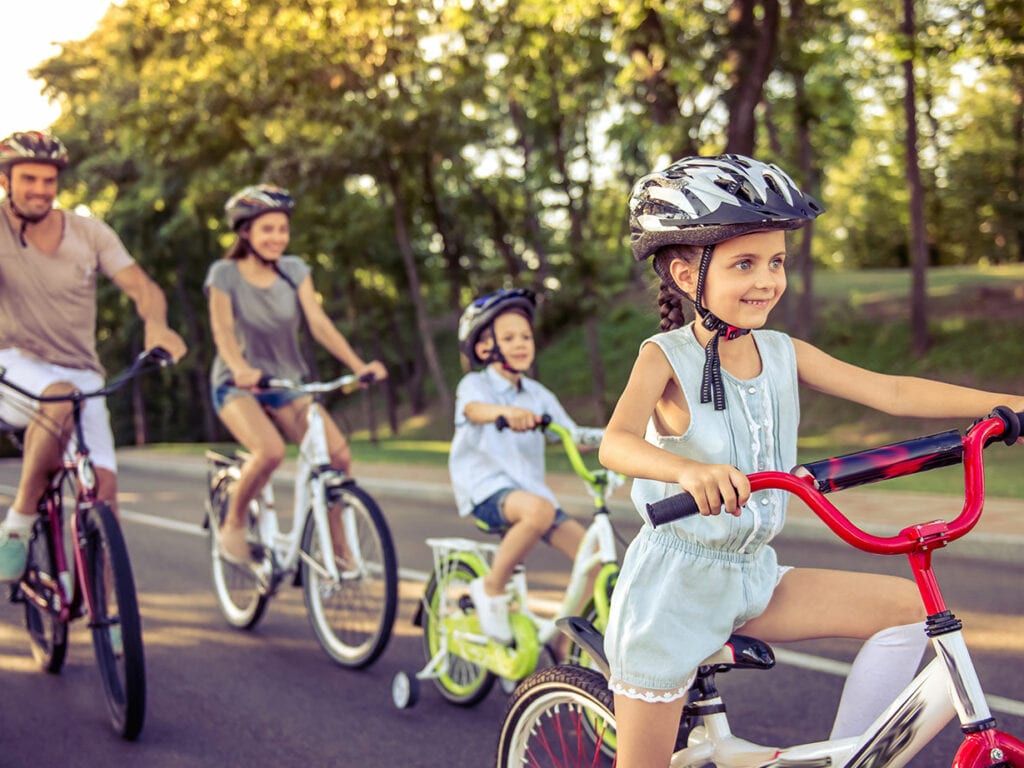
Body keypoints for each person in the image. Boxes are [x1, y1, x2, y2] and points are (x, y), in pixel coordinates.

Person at [597, 153, 1024, 768]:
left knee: (908, 610)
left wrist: (1005, 405)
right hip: (674, 590)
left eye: (776, 262)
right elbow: (617, 442)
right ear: (686, 274)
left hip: (753, 575)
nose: (767, 280)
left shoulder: (781, 350)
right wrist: (689, 471)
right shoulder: (666, 356)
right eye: (745, 263)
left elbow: (893, 391)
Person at [0, 129, 188, 581]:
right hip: (14, 363)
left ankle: (114, 621)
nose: (40, 190)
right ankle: (19, 526)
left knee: (104, 494)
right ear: (6, 180)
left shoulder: (89, 232)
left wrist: (156, 324)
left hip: (82, 370)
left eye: (48, 180)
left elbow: (142, 286)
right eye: (29, 179)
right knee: (59, 397)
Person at [205, 183, 387, 564]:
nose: (277, 237)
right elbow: (222, 330)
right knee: (269, 451)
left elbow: (318, 324)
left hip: (286, 382)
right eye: (267, 229)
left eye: (282, 229)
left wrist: (358, 367)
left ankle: (338, 550)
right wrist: (240, 369)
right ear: (245, 232)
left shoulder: (294, 271)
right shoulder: (225, 274)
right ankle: (234, 524)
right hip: (237, 385)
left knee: (337, 455)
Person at [449, 288, 603, 645]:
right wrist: (505, 413)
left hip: (533, 496)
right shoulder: (475, 385)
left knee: (593, 560)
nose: (521, 344)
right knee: (539, 511)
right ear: (485, 349)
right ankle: (490, 589)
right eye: (509, 338)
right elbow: (474, 410)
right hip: (486, 489)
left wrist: (623, 435)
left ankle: (567, 643)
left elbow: (573, 434)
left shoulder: (537, 394)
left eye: (525, 336)